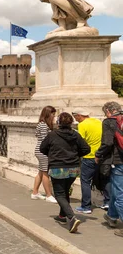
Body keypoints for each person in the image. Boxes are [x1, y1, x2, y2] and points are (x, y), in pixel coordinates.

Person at [40, 112, 90, 233]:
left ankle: (71, 217)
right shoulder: (75, 135)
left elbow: (42, 148)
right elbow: (86, 149)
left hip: (58, 167)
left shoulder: (52, 135)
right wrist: (75, 156)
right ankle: (62, 216)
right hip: (73, 168)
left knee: (59, 194)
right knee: (65, 191)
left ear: (58, 123)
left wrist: (53, 155)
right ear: (71, 123)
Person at [72, 108, 108, 214]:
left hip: (89, 156)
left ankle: (86, 206)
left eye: (75, 117)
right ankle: (108, 202)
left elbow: (80, 141)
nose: (75, 119)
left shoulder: (82, 125)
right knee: (104, 179)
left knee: (85, 181)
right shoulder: (98, 122)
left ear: (79, 115)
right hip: (101, 155)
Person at [95, 101, 123, 236]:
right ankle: (112, 216)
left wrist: (98, 154)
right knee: (115, 189)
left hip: (118, 161)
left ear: (108, 111)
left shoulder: (109, 122)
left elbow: (107, 142)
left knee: (119, 193)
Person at [32, 106, 57, 203]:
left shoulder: (42, 124)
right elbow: (45, 140)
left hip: (40, 150)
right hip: (43, 151)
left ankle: (35, 192)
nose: (54, 116)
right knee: (46, 172)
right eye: (52, 114)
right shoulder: (43, 125)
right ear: (48, 114)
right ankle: (48, 194)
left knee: (41, 172)